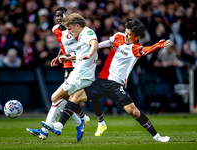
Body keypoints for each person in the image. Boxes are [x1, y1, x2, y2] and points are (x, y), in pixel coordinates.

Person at [41, 19, 171, 142]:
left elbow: (147, 50)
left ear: (137, 37)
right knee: (74, 97)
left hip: (116, 85)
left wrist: (158, 45)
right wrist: (72, 56)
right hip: (101, 82)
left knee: (134, 112)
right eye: (125, 32)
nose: (126, 36)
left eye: (129, 35)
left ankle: (157, 136)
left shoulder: (135, 49)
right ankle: (59, 125)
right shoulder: (118, 36)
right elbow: (100, 45)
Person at [27, 11, 103, 142]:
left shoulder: (87, 33)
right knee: (69, 99)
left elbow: (95, 44)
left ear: (77, 25)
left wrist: (90, 55)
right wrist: (63, 57)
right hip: (79, 74)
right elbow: (79, 52)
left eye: (70, 29)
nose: (69, 32)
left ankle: (68, 123)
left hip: (80, 75)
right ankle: (61, 126)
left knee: (56, 97)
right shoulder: (79, 35)